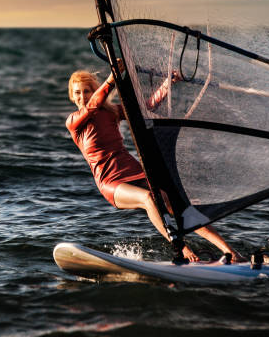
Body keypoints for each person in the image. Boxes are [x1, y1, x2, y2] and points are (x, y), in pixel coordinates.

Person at [66, 60, 244, 262]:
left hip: (134, 171)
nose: (82, 96)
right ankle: (181, 248)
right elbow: (92, 106)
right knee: (149, 199)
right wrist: (111, 79)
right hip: (111, 183)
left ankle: (230, 252)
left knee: (178, 206)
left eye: (87, 91)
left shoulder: (112, 112)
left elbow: (146, 107)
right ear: (72, 97)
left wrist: (168, 83)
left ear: (94, 90)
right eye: (78, 93)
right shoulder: (74, 122)